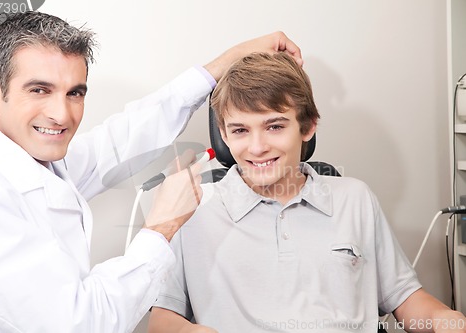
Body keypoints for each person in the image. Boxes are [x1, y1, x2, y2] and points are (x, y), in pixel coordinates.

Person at [0, 11, 304, 333]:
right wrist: (162, 227)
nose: (61, 114)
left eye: (75, 93)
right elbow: (81, 325)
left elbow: (118, 141)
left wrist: (220, 66)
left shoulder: (27, 152)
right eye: (39, 90)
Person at [148, 52, 466, 333]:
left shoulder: (355, 199)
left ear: (308, 126)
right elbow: (163, 320)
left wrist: (447, 320)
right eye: (241, 130)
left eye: (274, 126)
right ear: (223, 134)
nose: (257, 148)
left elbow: (406, 300)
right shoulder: (193, 209)